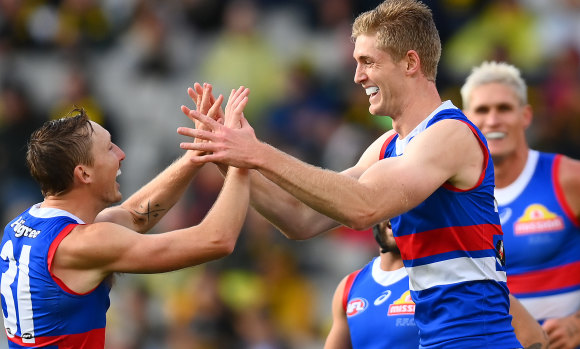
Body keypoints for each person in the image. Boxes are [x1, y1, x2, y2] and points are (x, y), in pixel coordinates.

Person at [177, 0, 521, 347]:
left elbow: (364, 208)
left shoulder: (450, 134)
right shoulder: (389, 145)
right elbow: (301, 218)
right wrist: (228, 157)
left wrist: (258, 152)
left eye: (368, 62)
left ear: (410, 62)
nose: (357, 76)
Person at [0, 86, 250, 348]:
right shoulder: (84, 243)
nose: (121, 154)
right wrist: (241, 159)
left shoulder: (23, 226)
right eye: (109, 148)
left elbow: (136, 216)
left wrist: (195, 156)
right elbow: (217, 240)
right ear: (84, 174)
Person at [462, 61, 580, 349]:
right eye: (482, 110)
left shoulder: (568, 178)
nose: (492, 120)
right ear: (465, 120)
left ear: (525, 115)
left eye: (503, 108)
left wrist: (577, 325)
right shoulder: (453, 195)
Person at [324, 219, 548, 349]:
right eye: (386, 205)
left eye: (403, 205)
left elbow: (534, 339)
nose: (394, 215)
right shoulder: (350, 286)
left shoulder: (453, 273)